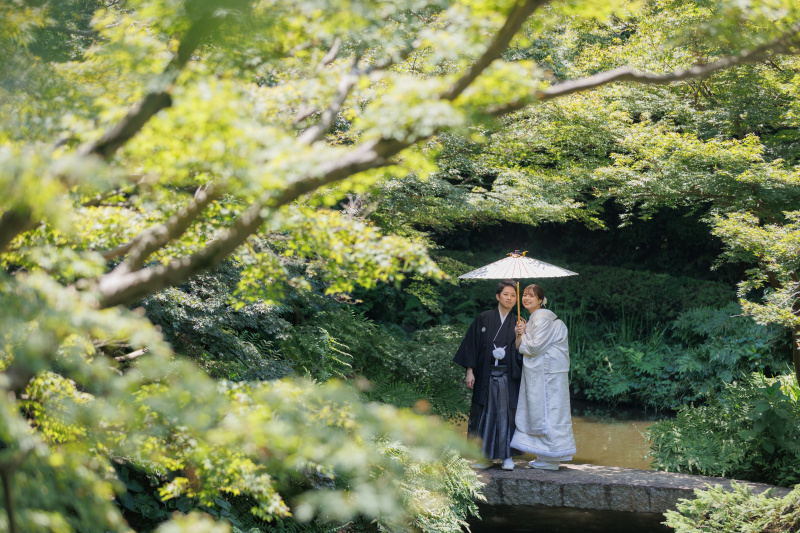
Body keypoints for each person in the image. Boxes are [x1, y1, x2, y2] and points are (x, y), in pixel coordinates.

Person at [453, 279, 522, 470]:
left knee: (507, 416)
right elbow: (472, 345)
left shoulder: (519, 321)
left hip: (508, 377)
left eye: (513, 295)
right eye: (506, 294)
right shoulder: (483, 318)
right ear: (498, 296)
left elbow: (522, 352)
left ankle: (508, 456)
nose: (509, 298)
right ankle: (483, 457)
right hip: (485, 375)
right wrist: (469, 371)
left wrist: (520, 336)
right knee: (484, 415)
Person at [511, 284, 576, 470]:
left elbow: (532, 348)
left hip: (548, 374)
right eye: (524, 295)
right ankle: (546, 456)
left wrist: (523, 335)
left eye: (531, 296)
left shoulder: (542, 318)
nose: (526, 298)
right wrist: (520, 334)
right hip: (546, 373)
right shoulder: (534, 318)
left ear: (541, 300)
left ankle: (551, 458)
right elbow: (522, 346)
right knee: (546, 412)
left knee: (549, 412)